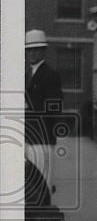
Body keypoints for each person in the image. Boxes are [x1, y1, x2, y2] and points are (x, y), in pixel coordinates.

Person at [24, 29, 62, 192]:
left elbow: (54, 108)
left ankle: (45, 216)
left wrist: (29, 108)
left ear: (43, 51)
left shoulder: (50, 75)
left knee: (43, 181)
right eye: (29, 49)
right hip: (27, 137)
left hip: (42, 138)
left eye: (36, 49)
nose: (32, 53)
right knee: (30, 183)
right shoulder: (27, 75)